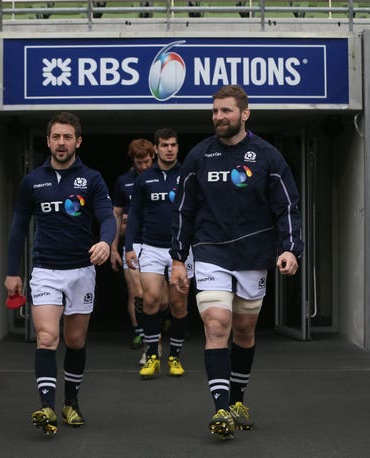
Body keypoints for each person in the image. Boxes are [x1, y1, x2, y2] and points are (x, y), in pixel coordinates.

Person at [169, 85, 303, 440]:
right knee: (217, 325)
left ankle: (238, 399)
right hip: (210, 252)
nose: (218, 117)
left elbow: (286, 207)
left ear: (245, 114)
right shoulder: (199, 156)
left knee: (244, 331)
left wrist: (290, 248)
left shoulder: (268, 157)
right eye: (214, 111)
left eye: (226, 111)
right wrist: (178, 259)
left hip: (253, 256)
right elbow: (184, 210)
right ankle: (221, 410)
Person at [4, 112, 116, 436]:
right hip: (45, 271)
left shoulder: (92, 179)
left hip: (82, 271)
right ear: (48, 141)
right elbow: (17, 228)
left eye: (68, 137)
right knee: (47, 337)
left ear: (78, 141)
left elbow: (107, 217)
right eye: (56, 137)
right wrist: (13, 272)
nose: (62, 142)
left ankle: (71, 401)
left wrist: (106, 243)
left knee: (75, 340)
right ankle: (47, 408)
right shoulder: (32, 181)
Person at [125, 128, 193, 379]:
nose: (169, 149)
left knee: (178, 305)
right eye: (164, 145)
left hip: (180, 249)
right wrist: (129, 246)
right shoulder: (144, 179)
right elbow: (134, 215)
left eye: (174, 144)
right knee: (151, 299)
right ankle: (152, 354)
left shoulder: (188, 175)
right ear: (156, 148)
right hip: (151, 247)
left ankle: (174, 356)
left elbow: (197, 211)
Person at [110, 139, 155, 351]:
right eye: (139, 162)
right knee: (136, 292)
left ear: (153, 157)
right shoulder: (123, 181)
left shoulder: (163, 176)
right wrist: (113, 248)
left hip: (159, 243)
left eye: (147, 161)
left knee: (157, 295)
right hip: (133, 243)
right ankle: (141, 333)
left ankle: (155, 326)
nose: (144, 166)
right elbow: (116, 215)